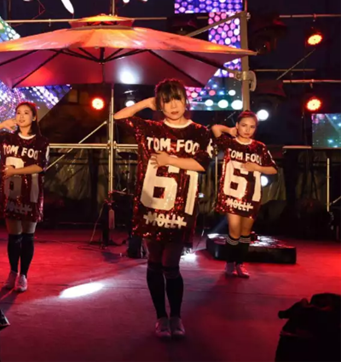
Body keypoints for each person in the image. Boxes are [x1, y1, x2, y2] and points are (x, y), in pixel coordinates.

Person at [114, 79, 213, 339]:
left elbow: (203, 164)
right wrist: (147, 103)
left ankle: (176, 316)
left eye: (177, 99)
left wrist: (171, 159)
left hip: (181, 208)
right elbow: (118, 117)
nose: (173, 106)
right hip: (152, 206)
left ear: (186, 101)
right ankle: (161, 317)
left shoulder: (199, 132)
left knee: (171, 263)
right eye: (166, 101)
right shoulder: (150, 128)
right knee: (155, 261)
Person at [0, 102, 50, 293]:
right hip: (10, 193)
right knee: (13, 236)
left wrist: (15, 171)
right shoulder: (7, 138)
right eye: (18, 113)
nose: (21, 116)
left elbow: (40, 166)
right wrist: (3, 124)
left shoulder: (41, 141)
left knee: (28, 236)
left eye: (26, 113)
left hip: (31, 193)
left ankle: (23, 275)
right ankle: (12, 272)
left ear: (34, 117)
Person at [212, 111, 278, 278]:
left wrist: (258, 168)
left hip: (251, 195)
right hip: (231, 194)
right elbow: (215, 129)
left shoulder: (259, 147)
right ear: (237, 126)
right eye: (243, 125)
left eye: (252, 127)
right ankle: (229, 263)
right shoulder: (230, 143)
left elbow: (273, 169)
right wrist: (229, 130)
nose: (247, 130)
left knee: (245, 232)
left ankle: (240, 264)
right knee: (234, 230)